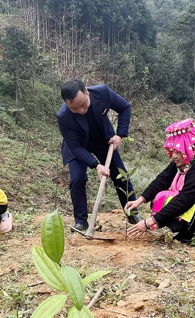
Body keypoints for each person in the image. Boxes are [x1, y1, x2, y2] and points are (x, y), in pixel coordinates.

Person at [125, 118, 195, 247]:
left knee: (184, 204)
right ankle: (186, 230)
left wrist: (148, 222)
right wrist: (140, 200)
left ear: (192, 150)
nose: (174, 156)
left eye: (178, 152)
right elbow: (162, 180)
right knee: (162, 196)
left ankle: (194, 235)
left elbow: (183, 201)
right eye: (172, 151)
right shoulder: (183, 163)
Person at [57, 79, 142, 231]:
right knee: (77, 179)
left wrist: (120, 135)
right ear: (67, 104)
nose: (81, 111)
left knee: (121, 176)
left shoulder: (102, 92)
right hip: (78, 145)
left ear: (87, 92)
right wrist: (96, 165)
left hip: (104, 140)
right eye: (74, 108)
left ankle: (132, 212)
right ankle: (81, 221)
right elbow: (75, 147)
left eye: (83, 104)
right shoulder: (63, 116)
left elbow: (124, 107)